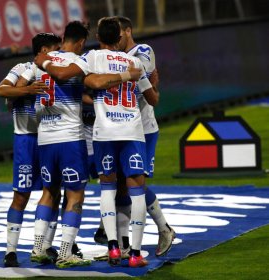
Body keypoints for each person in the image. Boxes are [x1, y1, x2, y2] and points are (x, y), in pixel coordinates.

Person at [34, 17, 159, 268]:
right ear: (119, 37)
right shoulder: (134, 62)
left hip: (104, 133)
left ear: (99, 38)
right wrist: (142, 80)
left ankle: (113, 247)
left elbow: (70, 76)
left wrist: (44, 61)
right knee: (136, 191)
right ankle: (134, 252)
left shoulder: (92, 58)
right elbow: (153, 99)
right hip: (132, 132)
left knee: (108, 189)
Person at [93, 16, 176, 260]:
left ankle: (164, 228)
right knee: (121, 184)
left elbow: (144, 81)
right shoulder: (120, 60)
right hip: (121, 125)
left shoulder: (142, 51)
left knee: (135, 183)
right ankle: (123, 242)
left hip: (143, 127)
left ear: (127, 31)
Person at [0, 33, 61, 267]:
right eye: (56, 48)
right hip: (26, 140)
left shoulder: (58, 69)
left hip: (51, 138)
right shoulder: (22, 68)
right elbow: (1, 90)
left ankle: (46, 245)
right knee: (21, 196)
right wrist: (29, 90)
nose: (59, 52)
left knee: (54, 192)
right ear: (44, 50)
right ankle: (10, 251)